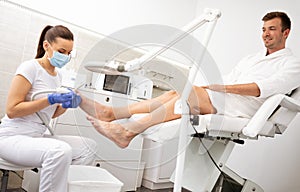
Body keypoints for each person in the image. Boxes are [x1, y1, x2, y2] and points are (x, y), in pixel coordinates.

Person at [79, 11, 300, 149]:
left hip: (244, 109)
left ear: (286, 32)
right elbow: (229, 79)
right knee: (178, 91)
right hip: (225, 99)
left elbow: (260, 89)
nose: (265, 34)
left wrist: (219, 88)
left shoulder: (292, 65)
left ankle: (127, 131)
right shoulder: (251, 59)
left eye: (272, 29)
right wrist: (210, 85)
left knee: (188, 93)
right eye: (263, 29)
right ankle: (113, 114)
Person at [0, 25, 97, 192]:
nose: (66, 56)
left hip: (36, 136)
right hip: (11, 137)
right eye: (62, 51)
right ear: (47, 46)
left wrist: (66, 106)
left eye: (69, 53)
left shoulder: (57, 76)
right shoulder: (30, 67)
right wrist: (50, 99)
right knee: (60, 150)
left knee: (88, 147)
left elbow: (49, 115)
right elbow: (12, 110)